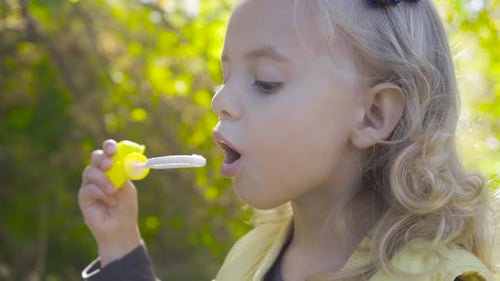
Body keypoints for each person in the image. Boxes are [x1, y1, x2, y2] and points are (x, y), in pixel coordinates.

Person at [78, 0, 499, 280]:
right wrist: (121, 247)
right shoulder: (250, 258)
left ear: (373, 115)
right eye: (225, 78)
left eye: (265, 82)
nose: (220, 99)